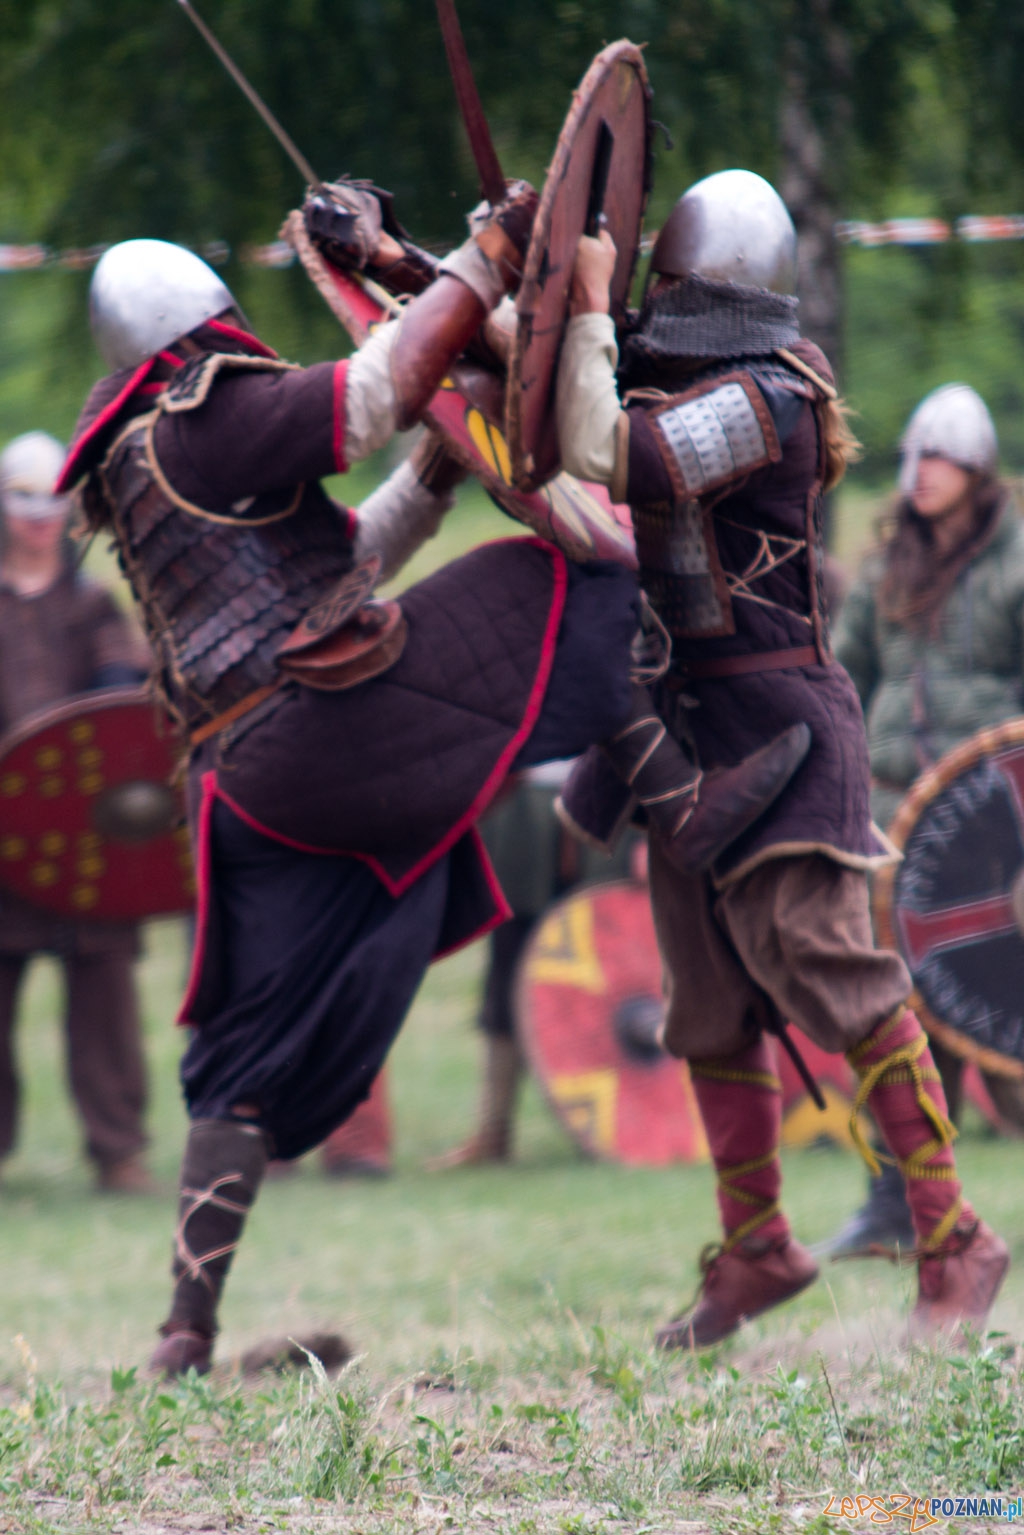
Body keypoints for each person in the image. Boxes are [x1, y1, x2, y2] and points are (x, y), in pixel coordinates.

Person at [57, 181, 804, 1376]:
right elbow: (368, 396)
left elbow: (339, 560)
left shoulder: (146, 451)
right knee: (580, 580)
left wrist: (441, 471)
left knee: (237, 1061)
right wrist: (477, 256)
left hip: (243, 788)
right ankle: (681, 803)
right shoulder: (209, 411)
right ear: (200, 330)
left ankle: (182, 1334)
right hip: (319, 740)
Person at [553, 168, 1009, 1348]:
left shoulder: (772, 397)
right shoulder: (675, 375)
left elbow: (619, 453)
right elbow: (538, 379)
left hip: (784, 726)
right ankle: (757, 1245)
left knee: (829, 970)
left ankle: (953, 1234)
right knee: (705, 1003)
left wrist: (592, 303)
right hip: (681, 734)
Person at [825, 383, 1024, 1253]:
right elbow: (841, 682)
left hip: (1001, 835)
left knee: (1006, 1014)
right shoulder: (886, 572)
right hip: (895, 832)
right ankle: (891, 1207)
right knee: (892, 1016)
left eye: (939, 458)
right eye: (914, 458)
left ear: (976, 470)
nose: (922, 473)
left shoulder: (1018, 563)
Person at [0, 430, 151, 1192]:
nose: (37, 517)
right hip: (1, 840)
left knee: (105, 999)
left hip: (90, 839)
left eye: (49, 502)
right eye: (23, 501)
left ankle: (117, 1149)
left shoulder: (93, 605)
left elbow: (123, 709)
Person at [432, 761, 636, 1168]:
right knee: (510, 965)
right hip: (523, 793)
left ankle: (623, 1128)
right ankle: (493, 1131)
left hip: (611, 789)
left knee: (617, 963)